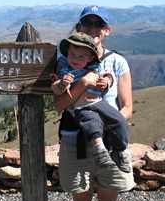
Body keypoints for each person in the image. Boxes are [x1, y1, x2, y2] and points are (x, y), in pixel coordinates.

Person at [53, 5, 135, 201]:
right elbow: (59, 105)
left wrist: (107, 127)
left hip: (107, 141)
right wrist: (84, 82)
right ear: (78, 28)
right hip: (74, 138)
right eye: (87, 23)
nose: (92, 28)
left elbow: (127, 106)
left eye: (98, 24)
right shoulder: (65, 62)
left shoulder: (117, 62)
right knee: (81, 200)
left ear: (107, 30)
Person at [51, 32, 131, 173]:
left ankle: (119, 151)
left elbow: (108, 76)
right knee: (92, 123)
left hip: (98, 103)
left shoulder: (94, 68)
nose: (75, 59)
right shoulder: (65, 71)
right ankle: (100, 151)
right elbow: (56, 89)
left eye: (81, 56)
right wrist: (63, 84)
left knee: (118, 119)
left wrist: (105, 82)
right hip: (83, 107)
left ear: (90, 58)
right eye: (72, 55)